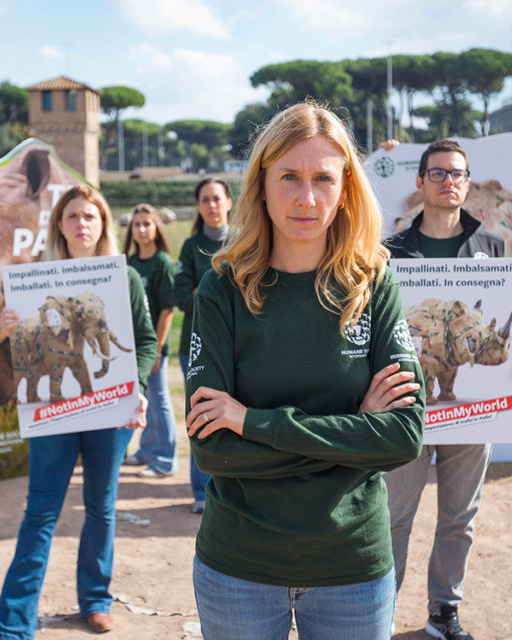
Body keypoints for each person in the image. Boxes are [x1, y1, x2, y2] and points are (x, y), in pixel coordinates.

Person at [185, 102, 426, 640]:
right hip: (238, 568)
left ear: (346, 191)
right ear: (261, 184)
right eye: (289, 177)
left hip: (352, 567)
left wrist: (254, 423)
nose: (306, 197)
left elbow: (404, 437)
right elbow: (211, 451)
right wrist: (354, 432)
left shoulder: (373, 285)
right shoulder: (220, 290)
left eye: (323, 178)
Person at [381, 138, 512, 640]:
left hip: (473, 415)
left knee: (460, 516)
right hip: (406, 404)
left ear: (467, 184)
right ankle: (378, 608)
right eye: (438, 173)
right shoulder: (391, 252)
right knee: (392, 515)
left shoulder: (492, 248)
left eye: (457, 174)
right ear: (420, 181)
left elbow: (506, 332)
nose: (448, 181)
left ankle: (443, 610)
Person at [0, 185, 157, 638]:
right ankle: (15, 620)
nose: (82, 223)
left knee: (101, 507)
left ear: (103, 224)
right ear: (59, 225)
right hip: (55, 412)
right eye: (73, 216)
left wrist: (137, 388)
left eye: (90, 215)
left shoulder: (125, 279)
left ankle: (96, 598)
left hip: (109, 409)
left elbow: (145, 342)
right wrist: (15, 326)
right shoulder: (37, 280)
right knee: (41, 512)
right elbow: (27, 347)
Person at [174, 177, 233, 513]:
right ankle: (201, 492)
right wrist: (210, 296)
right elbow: (180, 295)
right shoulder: (190, 246)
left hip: (238, 346)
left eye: (217, 198)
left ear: (228, 202)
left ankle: (230, 488)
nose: (212, 205)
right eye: (205, 200)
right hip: (193, 347)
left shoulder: (245, 240)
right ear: (198, 207)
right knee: (201, 418)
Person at [121, 203, 178, 477]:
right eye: (137, 224)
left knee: (159, 401)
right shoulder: (128, 262)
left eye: (147, 224)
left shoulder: (163, 263)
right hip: (129, 348)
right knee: (141, 399)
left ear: (156, 228)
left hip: (152, 347)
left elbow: (167, 310)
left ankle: (165, 460)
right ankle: (145, 451)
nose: (142, 229)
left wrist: (156, 350)